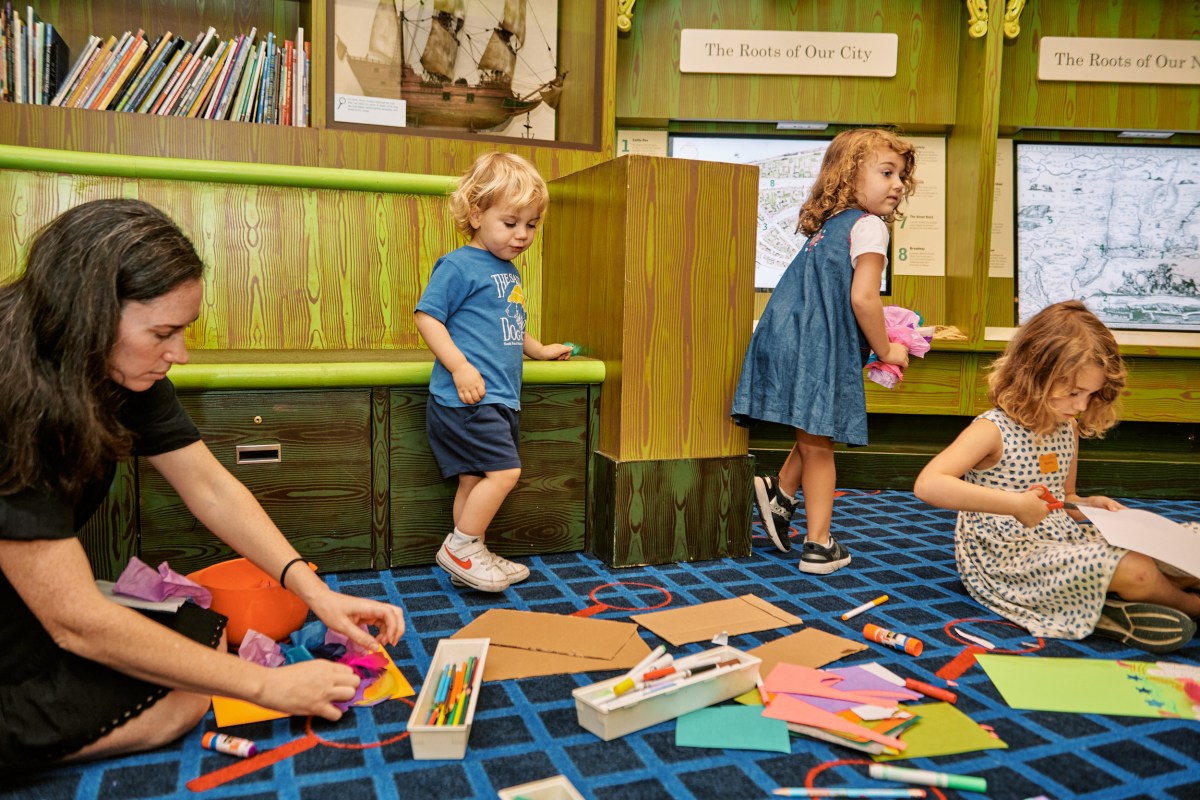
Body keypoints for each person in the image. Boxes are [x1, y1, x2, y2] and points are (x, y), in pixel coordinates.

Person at [0, 199, 406, 773]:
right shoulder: (12, 392)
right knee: (179, 701)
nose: (180, 355)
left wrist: (316, 593)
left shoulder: (113, 364)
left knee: (204, 640)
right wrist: (267, 687)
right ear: (88, 313)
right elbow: (76, 623)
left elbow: (210, 487)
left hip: (26, 595)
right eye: (163, 332)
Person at [914, 300, 1200, 654]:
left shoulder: (1068, 428)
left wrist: (1088, 506)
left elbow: (1065, 501)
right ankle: (1189, 605)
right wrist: (1015, 504)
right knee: (1137, 569)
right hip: (1007, 559)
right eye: (1073, 392)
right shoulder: (991, 430)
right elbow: (928, 484)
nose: (1081, 406)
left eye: (1090, 395)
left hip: (1063, 538)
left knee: (1188, 540)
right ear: (1034, 375)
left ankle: (1112, 605)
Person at [732, 128, 915, 573]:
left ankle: (780, 494)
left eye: (901, 176)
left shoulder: (830, 226)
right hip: (817, 346)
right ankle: (818, 544)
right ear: (849, 177)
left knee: (814, 432)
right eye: (886, 172)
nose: (897, 185)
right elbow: (863, 298)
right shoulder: (870, 226)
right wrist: (888, 348)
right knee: (820, 449)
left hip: (785, 337)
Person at [415, 152, 572, 593]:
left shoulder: (504, 268)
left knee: (473, 478)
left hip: (498, 396)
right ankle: (461, 546)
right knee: (504, 474)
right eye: (511, 223)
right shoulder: (458, 265)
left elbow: (508, 322)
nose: (523, 235)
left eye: (532, 225)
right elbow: (427, 317)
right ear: (476, 213)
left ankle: (472, 551)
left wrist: (537, 349)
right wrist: (459, 366)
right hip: (468, 400)